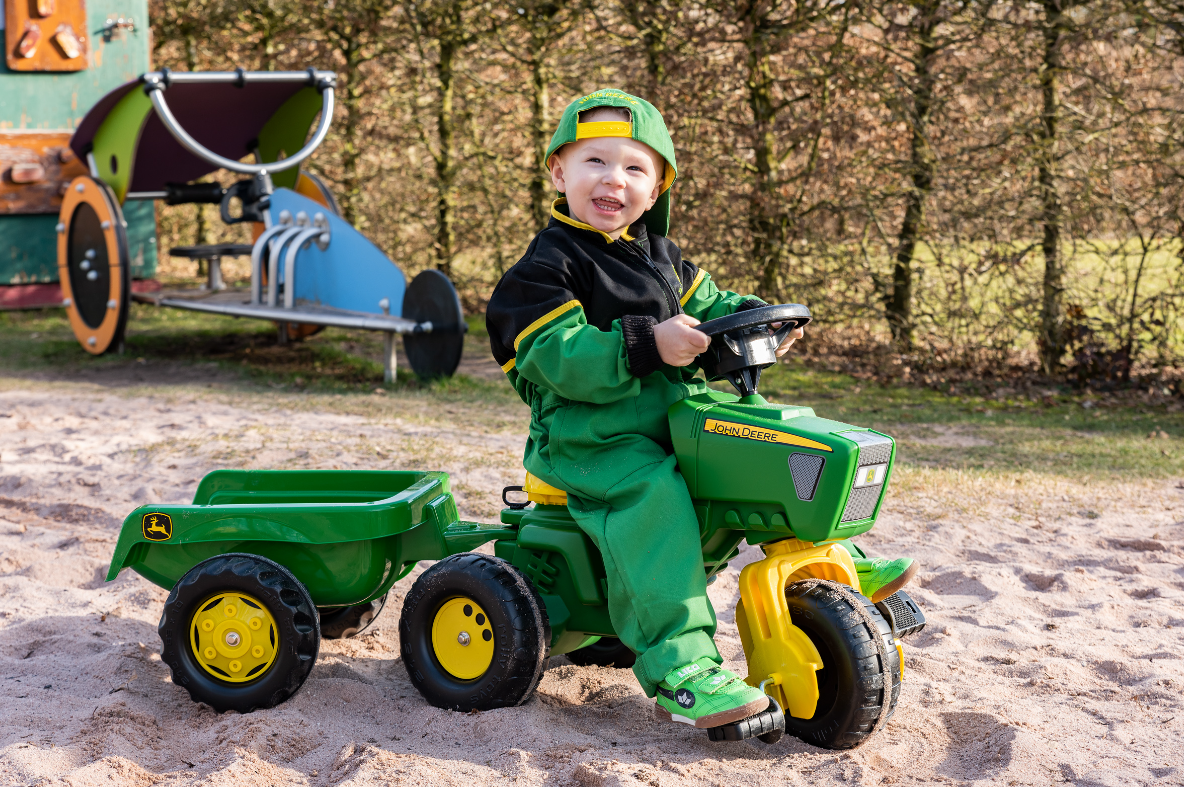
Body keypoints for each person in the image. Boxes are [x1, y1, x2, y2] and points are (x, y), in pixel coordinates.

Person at [486, 89, 916, 730]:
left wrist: (758, 317)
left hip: (675, 416)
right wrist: (648, 343)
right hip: (593, 440)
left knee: (761, 438)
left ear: (656, 189)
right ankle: (681, 665)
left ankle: (826, 558)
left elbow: (713, 303)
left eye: (635, 169)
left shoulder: (660, 259)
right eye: (595, 162)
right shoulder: (547, 269)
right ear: (558, 171)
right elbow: (556, 356)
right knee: (652, 501)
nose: (614, 180)